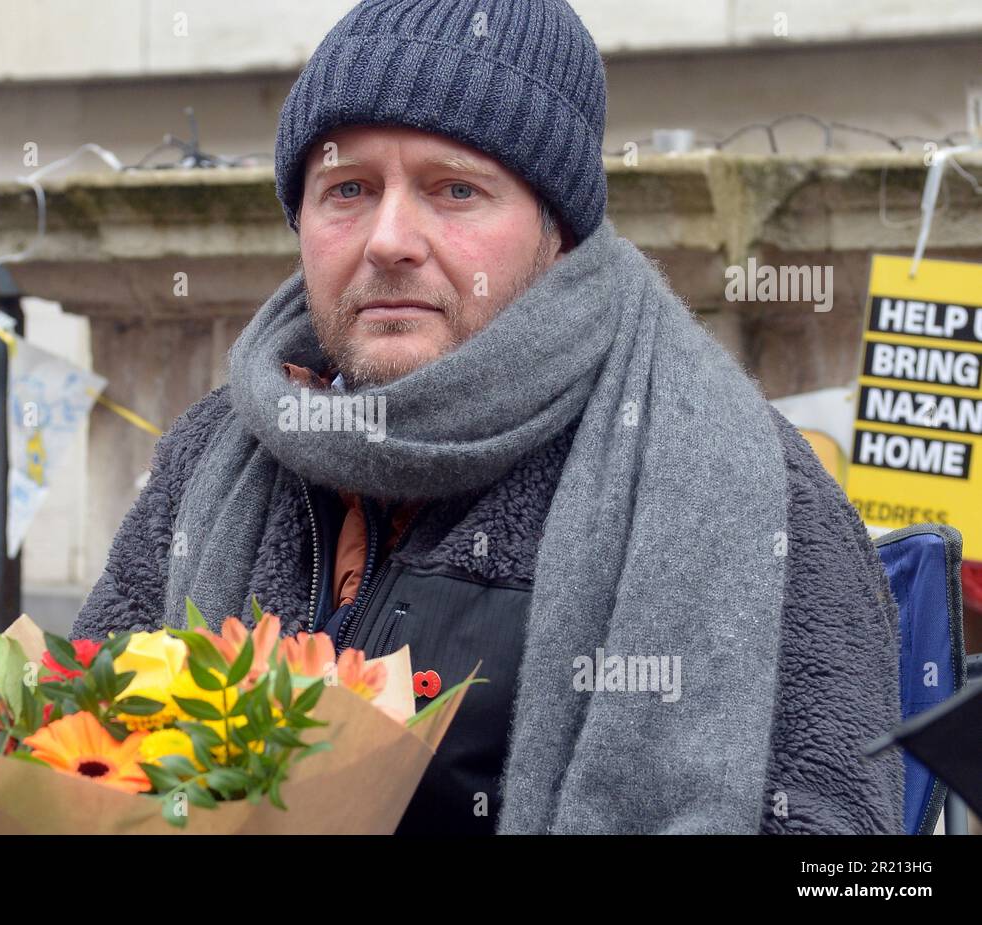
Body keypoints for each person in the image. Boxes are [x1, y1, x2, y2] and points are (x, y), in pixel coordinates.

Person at [72, 0, 903, 834]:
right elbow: (71, 743)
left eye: (456, 189)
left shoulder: (751, 482)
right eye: (348, 189)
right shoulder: (212, 454)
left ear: (561, 232)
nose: (389, 238)